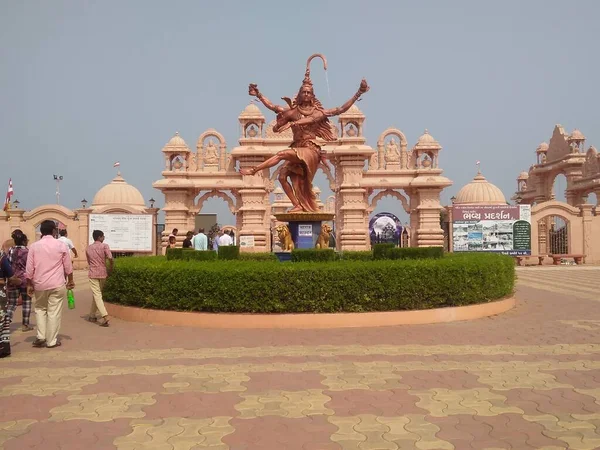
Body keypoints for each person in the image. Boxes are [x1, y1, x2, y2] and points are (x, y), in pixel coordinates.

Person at [240, 54, 369, 212]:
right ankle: (297, 204)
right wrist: (258, 94)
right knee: (282, 176)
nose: (306, 94)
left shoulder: (318, 112)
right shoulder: (292, 112)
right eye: (304, 92)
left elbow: (340, 109)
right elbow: (273, 107)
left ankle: (253, 170)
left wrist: (359, 93)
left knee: (281, 154)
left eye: (309, 92)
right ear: (299, 95)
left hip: (310, 149)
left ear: (312, 95)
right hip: (297, 147)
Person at [25, 220, 74, 348]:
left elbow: (29, 269)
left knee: (40, 309)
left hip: (39, 284)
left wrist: (29, 284)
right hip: (57, 284)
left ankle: (41, 336)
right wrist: (71, 280)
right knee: (54, 312)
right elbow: (68, 266)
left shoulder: (34, 246)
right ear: (54, 231)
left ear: (41, 231)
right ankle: (51, 341)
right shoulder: (60, 245)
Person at [6, 230, 33, 332]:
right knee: (27, 302)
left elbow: (7, 263)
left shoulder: (10, 250)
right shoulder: (27, 251)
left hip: (12, 279)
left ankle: (6, 323)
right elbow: (30, 267)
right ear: (24, 241)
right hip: (25, 280)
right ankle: (25, 325)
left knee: (11, 303)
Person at [86, 230, 113, 327]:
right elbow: (110, 257)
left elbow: (89, 262)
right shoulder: (105, 246)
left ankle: (94, 315)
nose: (104, 238)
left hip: (93, 273)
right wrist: (111, 267)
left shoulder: (88, 248)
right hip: (103, 273)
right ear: (99, 237)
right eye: (103, 236)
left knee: (96, 294)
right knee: (97, 294)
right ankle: (104, 315)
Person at [0, 242, 16, 358]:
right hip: (0, 293)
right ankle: (3, 347)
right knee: (2, 317)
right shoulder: (1, 257)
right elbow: (10, 274)